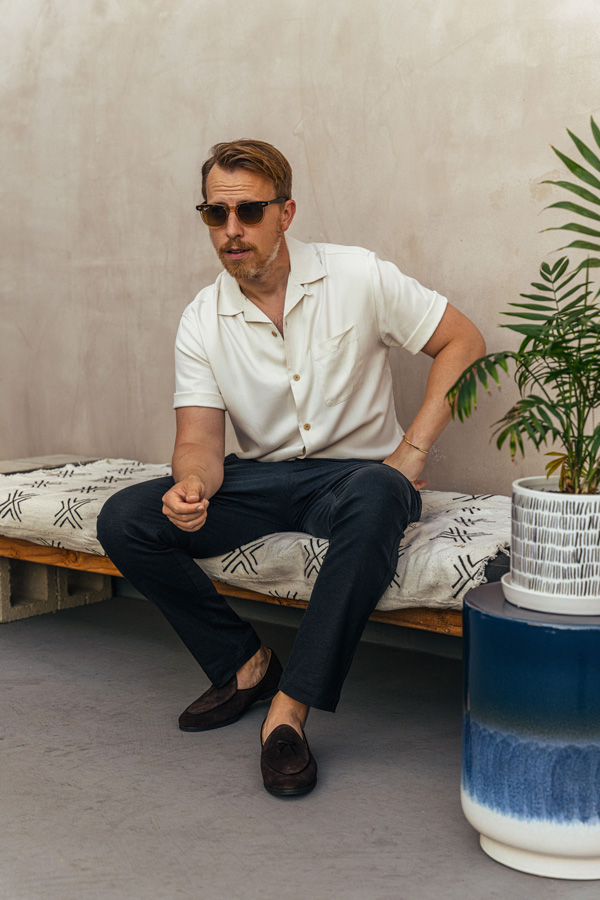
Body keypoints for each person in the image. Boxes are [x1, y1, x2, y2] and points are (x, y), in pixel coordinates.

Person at [97, 139, 485, 798]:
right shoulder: (203, 318)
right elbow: (198, 439)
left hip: (356, 478)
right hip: (259, 479)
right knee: (126, 518)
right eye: (215, 214)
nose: (231, 230)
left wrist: (411, 450)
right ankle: (244, 664)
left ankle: (289, 711)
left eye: (248, 211)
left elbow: (464, 341)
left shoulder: (356, 275)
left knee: (380, 494)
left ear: (286, 212)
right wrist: (191, 484)